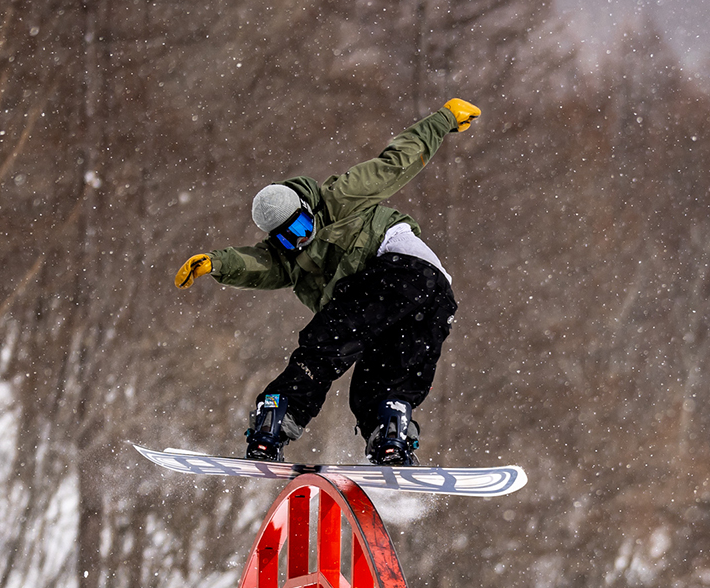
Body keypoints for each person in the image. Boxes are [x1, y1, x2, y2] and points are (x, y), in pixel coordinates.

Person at [173, 98, 482, 466]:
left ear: (309, 207)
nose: (301, 239)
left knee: (325, 345)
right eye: (288, 237)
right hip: (432, 303)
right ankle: (390, 431)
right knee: (379, 383)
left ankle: (276, 417)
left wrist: (443, 120)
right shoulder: (287, 258)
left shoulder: (340, 198)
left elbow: (396, 162)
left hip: (403, 272)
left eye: (303, 226)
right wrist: (217, 263)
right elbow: (255, 263)